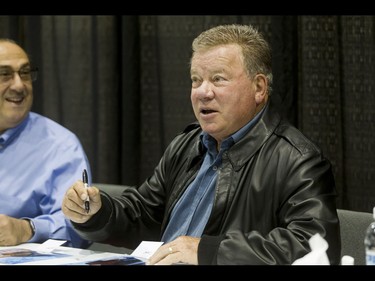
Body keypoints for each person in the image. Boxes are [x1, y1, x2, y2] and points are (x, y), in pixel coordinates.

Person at [62, 24, 341, 264]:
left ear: (259, 88)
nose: (203, 92)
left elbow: (314, 246)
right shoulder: (187, 145)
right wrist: (98, 213)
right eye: (196, 80)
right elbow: (144, 213)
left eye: (218, 79)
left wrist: (206, 252)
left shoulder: (298, 160)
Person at [0, 38, 91, 248]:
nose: (18, 85)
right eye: (5, 74)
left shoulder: (60, 146)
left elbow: (78, 226)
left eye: (24, 73)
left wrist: (26, 229)